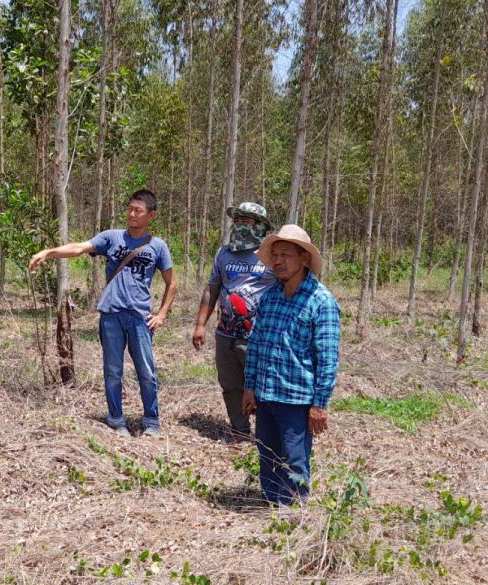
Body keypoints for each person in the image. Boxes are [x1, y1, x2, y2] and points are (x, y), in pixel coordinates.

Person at [28, 189, 176, 436]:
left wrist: (161, 314)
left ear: (151, 215)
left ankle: (151, 421)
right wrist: (49, 252)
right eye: (130, 208)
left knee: (147, 372)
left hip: (140, 317)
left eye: (138, 210)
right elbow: (79, 247)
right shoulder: (112, 238)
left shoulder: (158, 246)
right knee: (112, 370)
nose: (131, 214)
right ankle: (116, 419)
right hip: (111, 315)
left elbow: (172, 283)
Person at [241, 224, 340, 506]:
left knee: (294, 461)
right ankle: (273, 508)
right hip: (266, 395)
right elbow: (257, 345)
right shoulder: (271, 296)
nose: (278, 261)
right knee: (267, 456)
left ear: (303, 259)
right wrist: (249, 387)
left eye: (285, 255)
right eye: (275, 256)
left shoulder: (321, 302)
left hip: (296, 400)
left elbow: (327, 358)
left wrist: (319, 404)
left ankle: (295, 514)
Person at [191, 202, 278, 438]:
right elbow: (212, 289)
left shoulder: (271, 256)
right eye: (237, 220)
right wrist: (200, 325)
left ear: (260, 225)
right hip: (226, 335)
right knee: (230, 386)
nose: (240, 224)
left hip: (259, 338)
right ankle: (239, 431)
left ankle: (266, 436)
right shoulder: (223, 253)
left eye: (246, 220)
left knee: (262, 388)